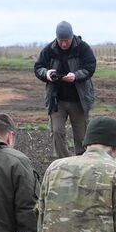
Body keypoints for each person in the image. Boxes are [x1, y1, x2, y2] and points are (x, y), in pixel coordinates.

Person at [34, 21, 96, 158]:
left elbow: (90, 67)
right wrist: (47, 74)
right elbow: (38, 67)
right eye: (60, 40)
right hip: (57, 100)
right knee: (57, 132)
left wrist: (75, 76)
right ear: (56, 38)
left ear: (72, 37)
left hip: (79, 100)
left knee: (82, 135)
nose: (63, 44)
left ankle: (81, 162)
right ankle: (64, 162)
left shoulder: (83, 48)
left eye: (66, 41)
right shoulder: (49, 50)